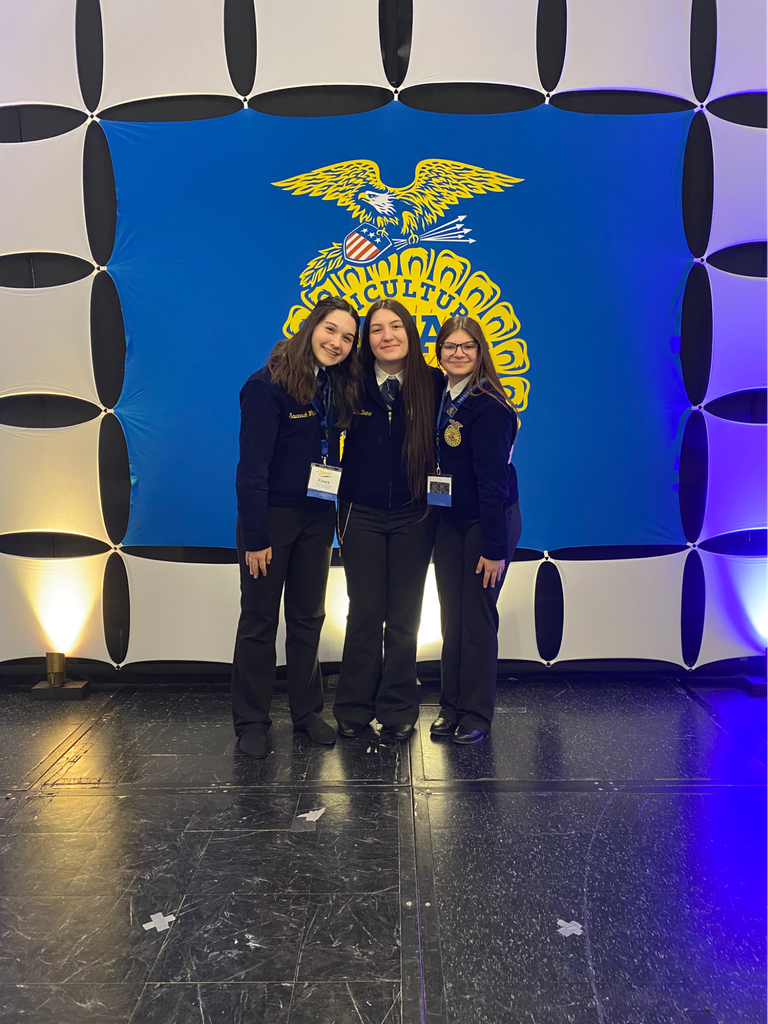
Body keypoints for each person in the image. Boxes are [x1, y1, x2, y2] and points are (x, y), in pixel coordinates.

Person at [232, 297, 360, 758]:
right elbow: (251, 471)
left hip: (316, 518)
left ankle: (307, 713)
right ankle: (251, 720)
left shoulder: (334, 383)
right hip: (270, 520)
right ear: (311, 328)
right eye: (331, 330)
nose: (337, 343)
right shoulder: (266, 386)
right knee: (259, 622)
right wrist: (257, 537)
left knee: (308, 619)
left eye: (347, 337)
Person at [333, 299, 444, 741]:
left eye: (395, 326)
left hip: (415, 516)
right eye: (376, 329)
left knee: (404, 615)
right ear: (366, 341)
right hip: (360, 514)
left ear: (411, 333)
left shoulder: (434, 384)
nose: (387, 336)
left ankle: (399, 708)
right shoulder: (349, 383)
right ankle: (354, 706)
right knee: (363, 612)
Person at [430, 315, 522, 744]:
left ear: (480, 351)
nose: (459, 353)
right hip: (451, 519)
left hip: (488, 523)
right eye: (450, 346)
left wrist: (494, 546)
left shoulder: (490, 406)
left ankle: (476, 715)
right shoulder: (441, 396)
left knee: (477, 619)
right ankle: (450, 705)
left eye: (467, 346)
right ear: (439, 351)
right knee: (452, 615)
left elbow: (493, 482)